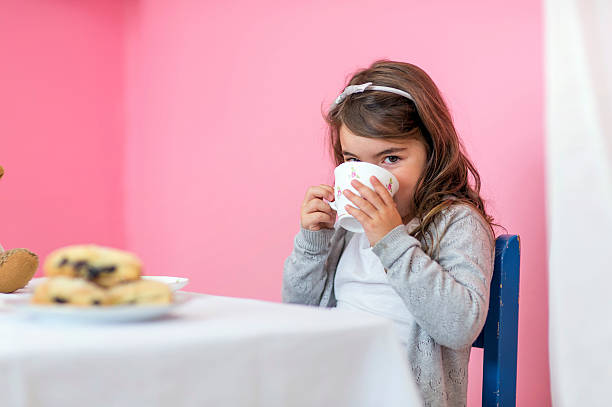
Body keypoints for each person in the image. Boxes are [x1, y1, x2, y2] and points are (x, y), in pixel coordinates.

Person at [282, 60, 497, 407]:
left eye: (391, 158)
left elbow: (460, 326)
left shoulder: (456, 223)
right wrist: (313, 242)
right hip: (335, 387)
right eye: (353, 161)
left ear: (432, 150)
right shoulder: (347, 229)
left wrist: (391, 240)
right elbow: (297, 314)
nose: (370, 176)